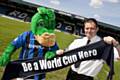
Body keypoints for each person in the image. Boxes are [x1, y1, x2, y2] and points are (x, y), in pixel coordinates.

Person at [0, 7, 63, 80]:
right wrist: (7, 54)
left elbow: (55, 50)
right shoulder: (26, 35)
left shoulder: (50, 39)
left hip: (39, 73)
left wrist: (52, 53)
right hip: (23, 71)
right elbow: (14, 44)